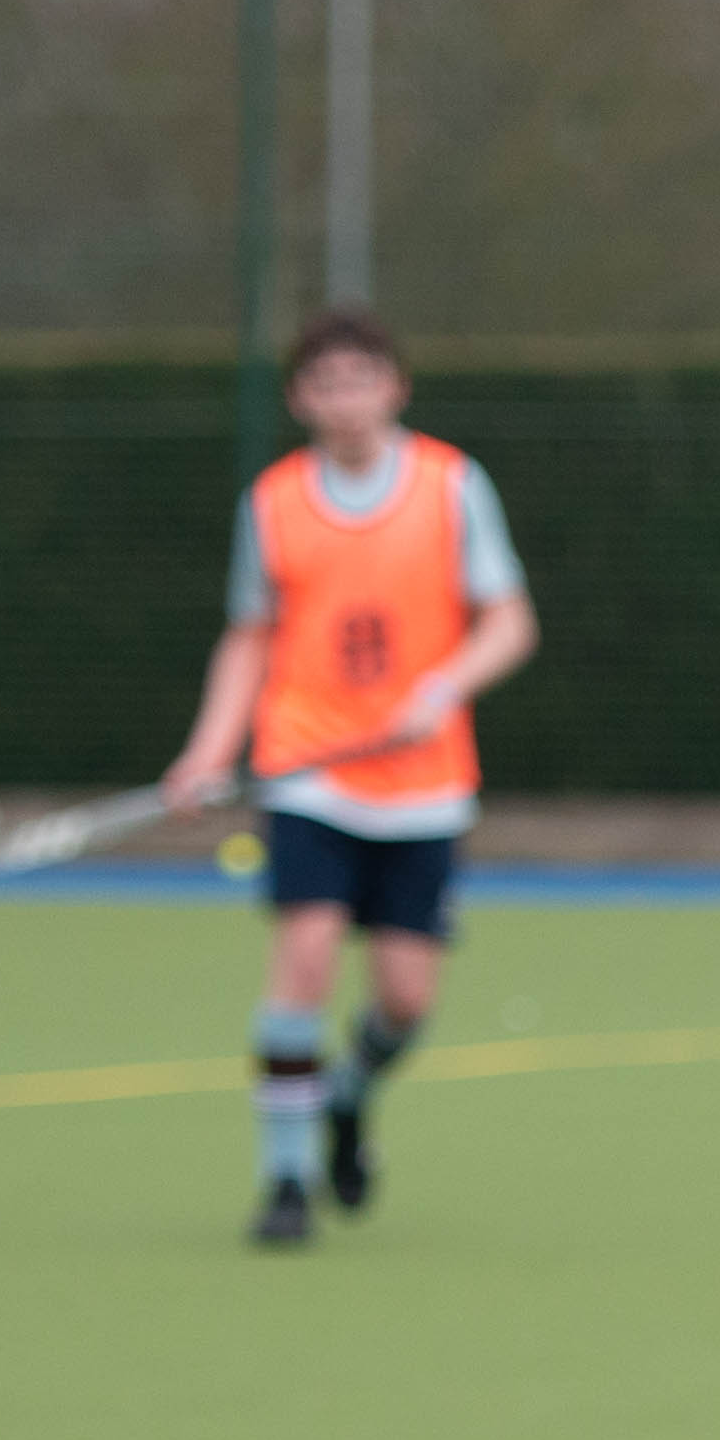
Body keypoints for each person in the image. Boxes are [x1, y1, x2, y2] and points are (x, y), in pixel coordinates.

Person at [164, 309, 539, 1250]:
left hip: (423, 783)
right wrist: (211, 748)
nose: (345, 397)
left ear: (395, 388)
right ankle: (284, 1184)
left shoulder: (451, 487)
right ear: (300, 400)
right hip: (307, 772)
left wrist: (444, 683)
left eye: (361, 377)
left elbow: (509, 621)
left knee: (407, 999)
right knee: (304, 960)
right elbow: (250, 635)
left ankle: (348, 1095)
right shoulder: (275, 501)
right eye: (324, 382)